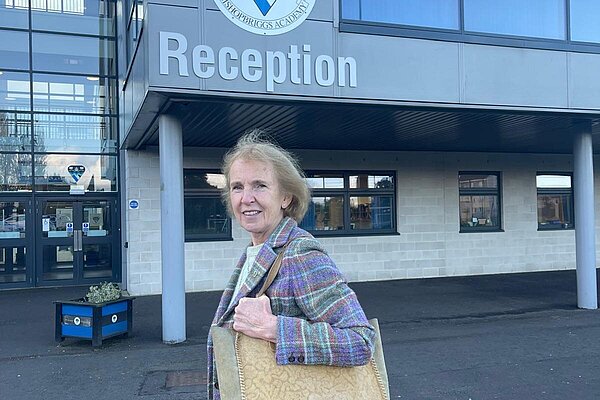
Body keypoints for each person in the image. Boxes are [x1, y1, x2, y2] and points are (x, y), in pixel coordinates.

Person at [207, 132, 375, 400]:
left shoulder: (300, 252)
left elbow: (361, 341)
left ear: (285, 197)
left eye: (259, 185)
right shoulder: (256, 251)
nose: (246, 198)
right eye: (237, 187)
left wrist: (273, 328)